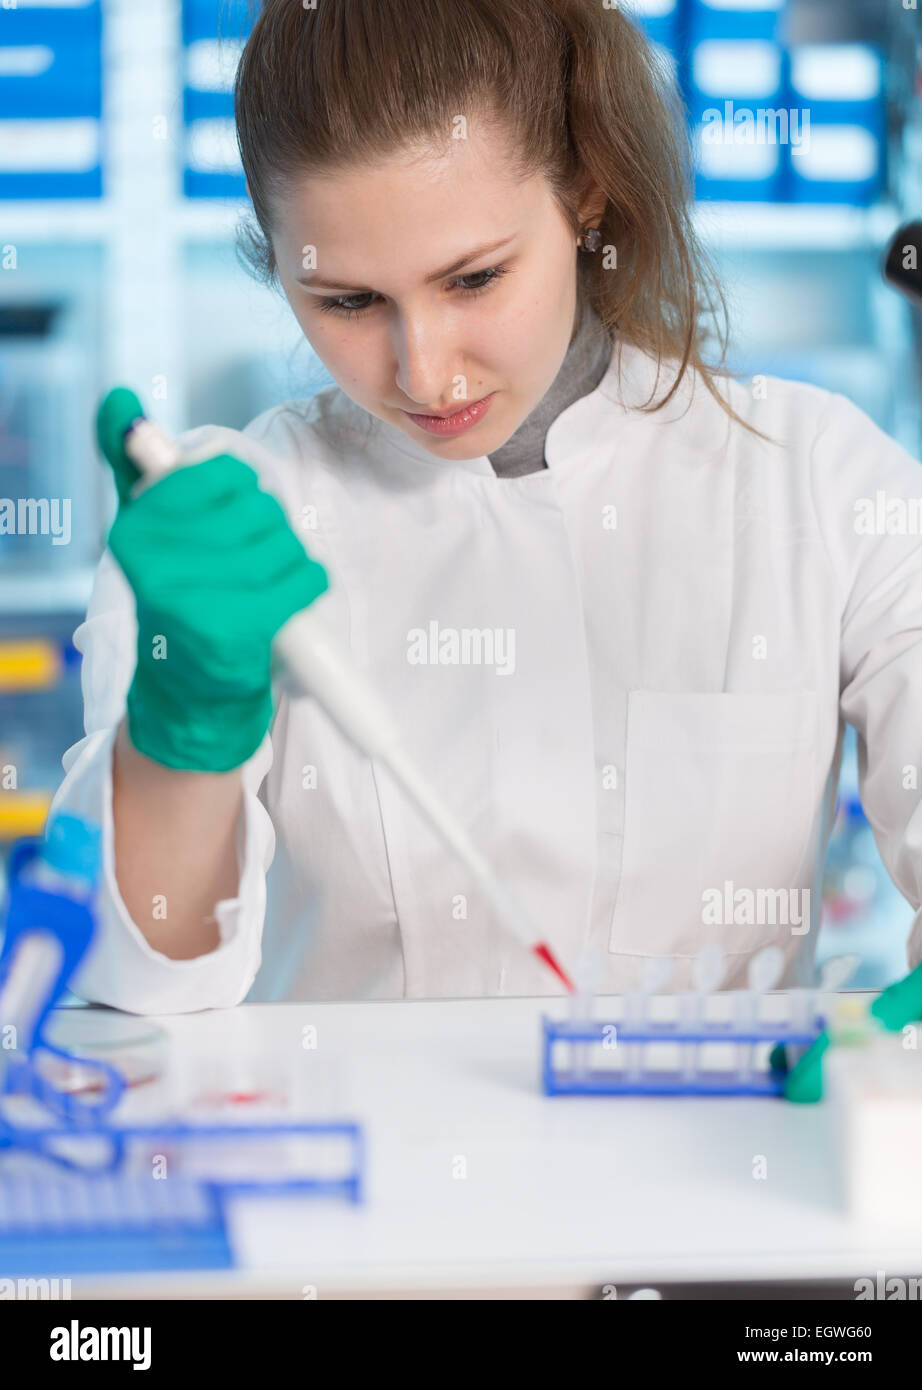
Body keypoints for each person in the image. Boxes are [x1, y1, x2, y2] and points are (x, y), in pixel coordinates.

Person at [55, 0, 922, 1014]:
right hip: (351, 1164)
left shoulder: (814, 479)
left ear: (586, 192)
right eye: (347, 300)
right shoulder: (233, 530)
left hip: (723, 1159)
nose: (424, 371)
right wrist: (183, 729)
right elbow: (129, 984)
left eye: (473, 278)